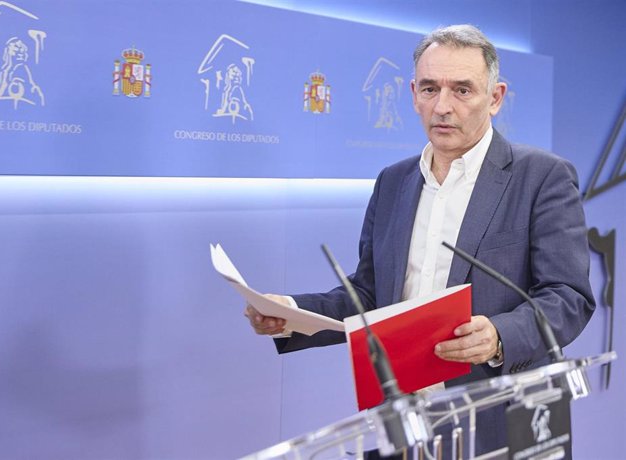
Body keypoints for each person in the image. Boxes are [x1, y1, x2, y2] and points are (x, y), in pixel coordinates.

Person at [244, 24, 595, 456]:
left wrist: (500, 335)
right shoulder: (393, 182)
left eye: (462, 90)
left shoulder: (541, 177)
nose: (442, 106)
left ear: (496, 97)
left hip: (500, 421)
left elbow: (568, 297)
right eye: (429, 89)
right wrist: (293, 313)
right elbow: (370, 293)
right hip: (404, 421)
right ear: (412, 93)